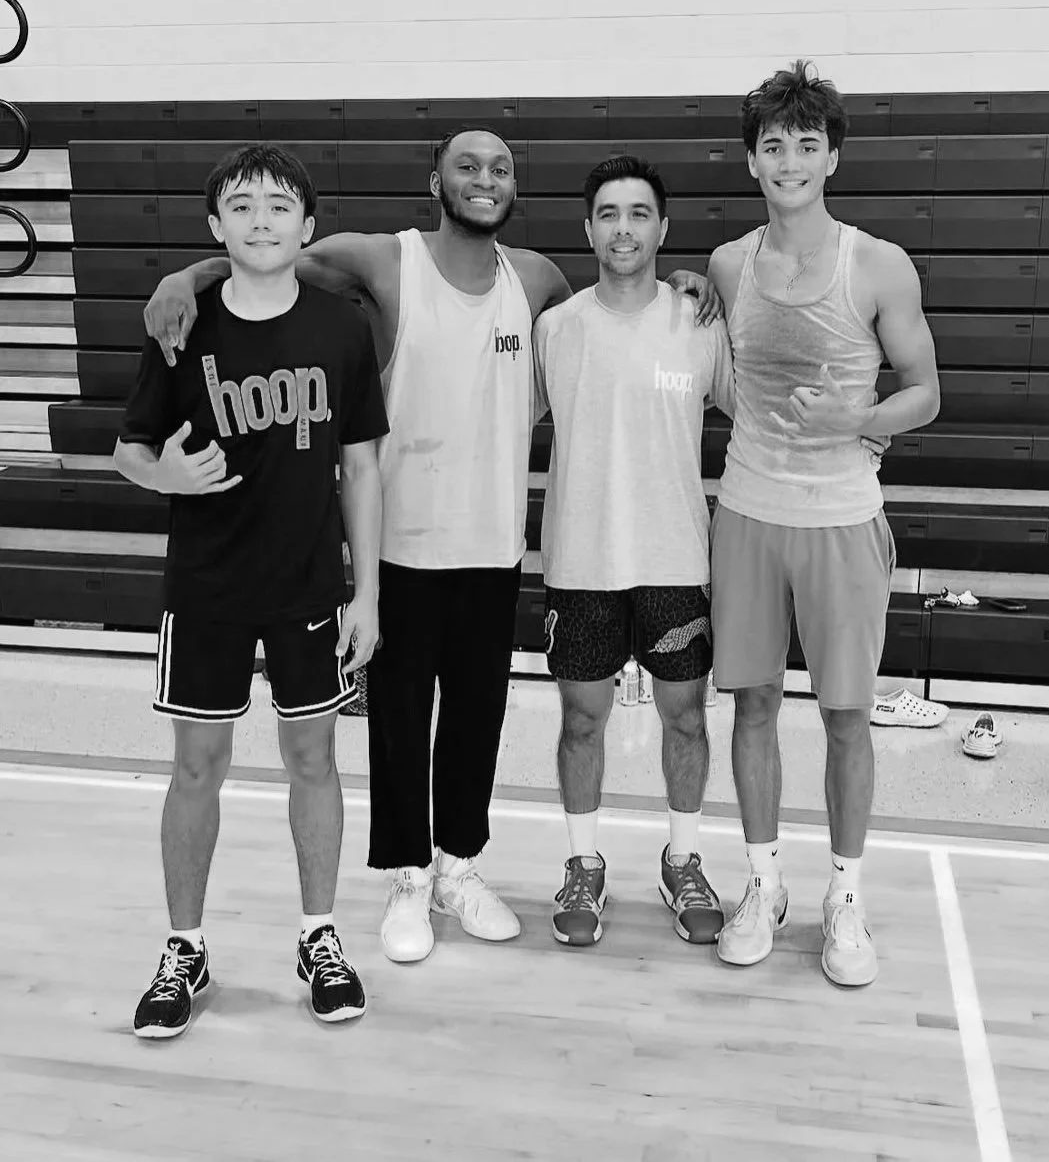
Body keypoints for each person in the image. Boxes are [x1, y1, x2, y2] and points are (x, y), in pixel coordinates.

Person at [142, 128, 721, 965]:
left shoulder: (536, 279)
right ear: (435, 182)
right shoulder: (387, 260)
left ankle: (457, 867)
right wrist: (185, 277)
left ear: (515, 186)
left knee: (476, 722)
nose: (484, 179)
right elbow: (270, 255)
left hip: (493, 545)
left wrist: (686, 282)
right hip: (402, 542)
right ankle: (407, 876)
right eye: (467, 166)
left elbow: (615, 315)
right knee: (401, 723)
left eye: (500, 168)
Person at [115, 144, 387, 1035]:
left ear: (307, 226)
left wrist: (367, 594)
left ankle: (319, 937)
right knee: (197, 764)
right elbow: (128, 448)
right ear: (215, 226)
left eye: (278, 206)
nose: (260, 220)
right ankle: (184, 948)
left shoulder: (341, 327)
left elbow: (362, 467)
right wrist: (166, 477)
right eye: (241, 206)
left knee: (314, 759)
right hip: (206, 586)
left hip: (308, 584)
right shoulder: (181, 325)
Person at [704, 63, 941, 987]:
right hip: (748, 512)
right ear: (751, 160)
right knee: (753, 705)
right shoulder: (728, 265)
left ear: (831, 156)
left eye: (807, 144)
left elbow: (925, 392)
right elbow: (723, 376)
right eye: (773, 145)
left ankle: (845, 896)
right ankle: (762, 884)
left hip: (842, 517)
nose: (789, 161)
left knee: (846, 716)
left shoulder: (877, 264)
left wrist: (861, 418)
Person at [533, 156, 734, 949]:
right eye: (609, 214)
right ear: (588, 229)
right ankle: (583, 863)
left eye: (639, 213)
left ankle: (681, 859)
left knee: (685, 718)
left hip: (674, 558)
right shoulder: (556, 327)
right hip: (581, 559)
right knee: (581, 721)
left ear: (662, 228)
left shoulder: (699, 320)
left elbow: (754, 410)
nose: (624, 228)